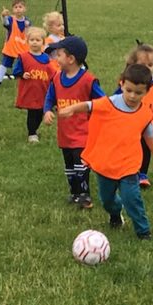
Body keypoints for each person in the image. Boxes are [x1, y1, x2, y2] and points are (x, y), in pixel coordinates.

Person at [59, 64, 153, 240]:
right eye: (128, 90)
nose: (132, 96)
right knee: (107, 200)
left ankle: (143, 232)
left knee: (132, 199)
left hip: (129, 164)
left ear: (146, 92)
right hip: (105, 163)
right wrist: (72, 109)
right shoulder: (109, 103)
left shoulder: (145, 113)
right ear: (121, 84)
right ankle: (115, 214)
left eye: (138, 93)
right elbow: (89, 105)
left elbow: (149, 134)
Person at [43, 36, 106, 208]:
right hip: (64, 133)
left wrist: (86, 110)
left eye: (59, 54)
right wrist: (47, 110)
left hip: (82, 133)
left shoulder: (88, 80)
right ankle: (74, 193)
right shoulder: (57, 78)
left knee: (81, 165)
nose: (56, 58)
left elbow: (103, 103)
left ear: (70, 59)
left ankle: (85, 196)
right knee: (69, 166)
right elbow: (50, 97)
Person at [115, 43, 153, 187]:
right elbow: (115, 98)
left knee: (146, 148)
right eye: (143, 64)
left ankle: (142, 174)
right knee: (129, 147)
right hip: (130, 123)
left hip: (149, 123)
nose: (147, 68)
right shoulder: (127, 82)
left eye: (150, 65)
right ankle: (125, 170)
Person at [14, 26, 59, 143]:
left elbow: (53, 74)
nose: (34, 42)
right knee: (32, 112)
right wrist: (22, 74)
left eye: (38, 40)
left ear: (43, 43)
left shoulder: (46, 58)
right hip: (30, 91)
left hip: (42, 91)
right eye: (32, 40)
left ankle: (35, 129)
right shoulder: (23, 57)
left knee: (40, 112)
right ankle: (32, 133)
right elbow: (16, 71)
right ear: (28, 42)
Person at [0, 0, 30, 87]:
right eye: (15, 7)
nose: (18, 9)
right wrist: (4, 16)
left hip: (23, 48)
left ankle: (23, 80)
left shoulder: (27, 21)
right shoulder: (11, 19)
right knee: (4, 64)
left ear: (25, 9)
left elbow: (30, 33)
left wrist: (28, 27)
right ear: (12, 10)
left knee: (23, 65)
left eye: (20, 7)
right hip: (11, 47)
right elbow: (6, 24)